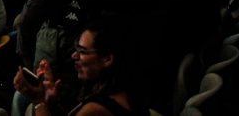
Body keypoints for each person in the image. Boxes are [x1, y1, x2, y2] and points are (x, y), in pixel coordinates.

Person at [14, 19, 145, 115]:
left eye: (82, 51)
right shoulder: (127, 93)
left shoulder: (95, 110)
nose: (74, 56)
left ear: (107, 59)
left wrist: (38, 102)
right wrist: (51, 102)